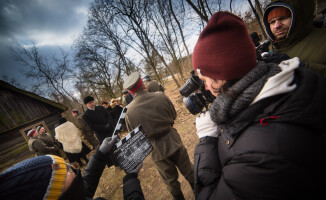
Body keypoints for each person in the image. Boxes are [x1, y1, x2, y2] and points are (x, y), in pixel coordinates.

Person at [191, 11, 325, 199]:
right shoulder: (283, 82)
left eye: (205, 79)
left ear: (224, 76)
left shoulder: (258, 153)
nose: (205, 87)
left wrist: (207, 142)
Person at [0, 136, 145, 200]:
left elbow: (85, 185)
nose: (72, 169)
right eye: (65, 170)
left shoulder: (72, 195)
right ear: (56, 193)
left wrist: (100, 153)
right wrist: (131, 179)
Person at [123, 72, 194, 200]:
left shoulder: (128, 112)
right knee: (189, 171)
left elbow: (136, 136)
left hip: (156, 150)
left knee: (170, 181)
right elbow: (173, 115)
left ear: (130, 92)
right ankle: (202, 193)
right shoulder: (160, 96)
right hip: (173, 140)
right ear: (143, 84)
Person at [262, 0, 326, 77]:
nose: (277, 26)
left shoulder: (323, 38)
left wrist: (299, 67)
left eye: (283, 18)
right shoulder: (270, 49)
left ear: (299, 17)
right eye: (272, 22)